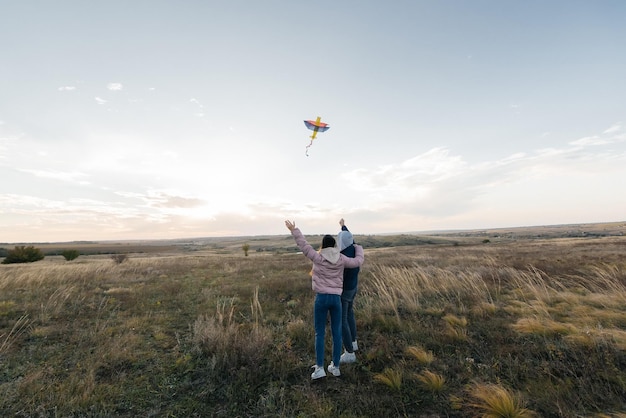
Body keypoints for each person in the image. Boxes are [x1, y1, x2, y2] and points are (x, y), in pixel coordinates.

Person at [285, 220, 364, 380]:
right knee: (336, 332)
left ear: (323, 245)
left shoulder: (318, 257)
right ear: (335, 245)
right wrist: (358, 247)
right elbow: (358, 261)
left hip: (321, 299)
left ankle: (320, 368)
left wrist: (294, 230)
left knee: (319, 333)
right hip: (336, 300)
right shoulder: (341, 259)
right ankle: (335, 367)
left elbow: (304, 245)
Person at [337, 218, 360, 364]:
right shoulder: (354, 248)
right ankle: (354, 342)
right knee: (350, 313)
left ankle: (349, 353)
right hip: (353, 288)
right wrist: (343, 226)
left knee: (341, 320)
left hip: (344, 290)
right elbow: (349, 235)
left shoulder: (343, 257)